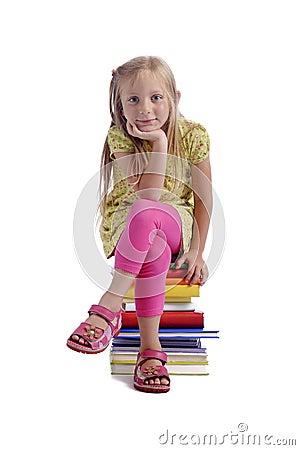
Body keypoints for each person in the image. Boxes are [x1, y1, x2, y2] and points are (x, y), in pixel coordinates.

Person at [67, 56, 212, 393]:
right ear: (120, 106)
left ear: (175, 97)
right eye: (133, 99)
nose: (145, 109)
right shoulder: (121, 137)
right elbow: (147, 192)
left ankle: (109, 306)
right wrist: (158, 145)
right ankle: (149, 349)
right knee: (153, 240)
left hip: (176, 218)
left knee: (152, 217)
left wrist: (197, 250)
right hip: (129, 221)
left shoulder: (194, 135)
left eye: (156, 97)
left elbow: (204, 197)